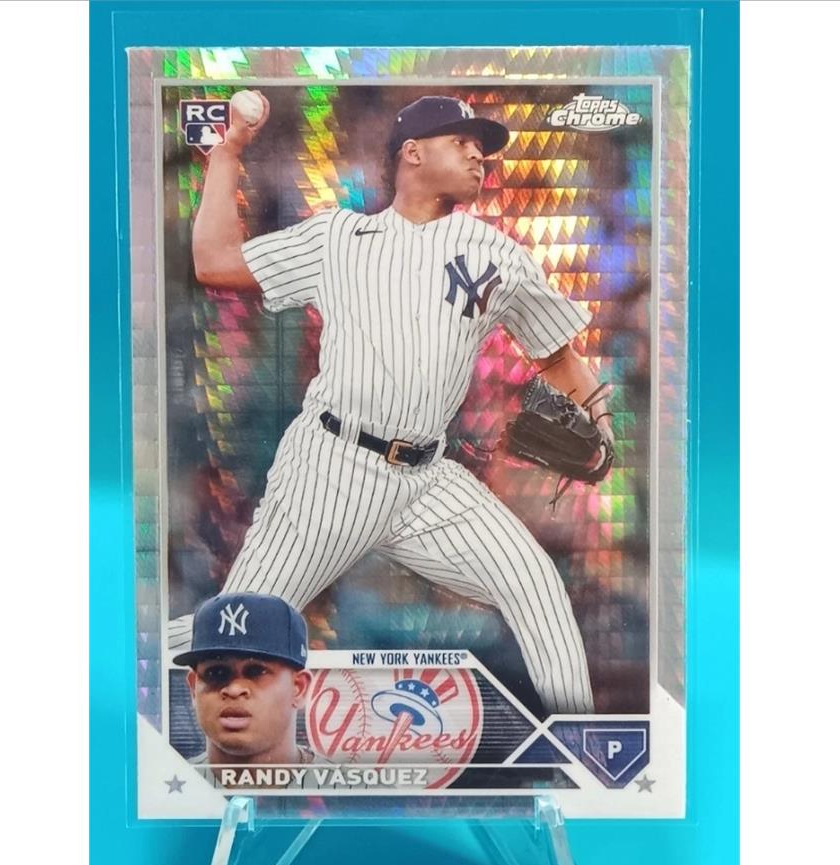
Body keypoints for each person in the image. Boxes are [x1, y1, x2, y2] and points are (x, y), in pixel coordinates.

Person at [190, 94, 614, 714]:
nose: (478, 154)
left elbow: (557, 355)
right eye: (461, 141)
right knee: (239, 630)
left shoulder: (497, 253)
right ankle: (162, 705)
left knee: (536, 586)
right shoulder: (340, 237)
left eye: (482, 146)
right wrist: (228, 152)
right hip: (333, 466)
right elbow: (215, 262)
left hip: (427, 478)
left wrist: (602, 425)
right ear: (412, 153)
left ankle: (578, 742)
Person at [174, 592, 321, 768]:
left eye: (256, 671)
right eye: (216, 672)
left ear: (299, 687)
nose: (234, 689)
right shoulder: (165, 783)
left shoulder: (343, 782)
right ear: (193, 688)